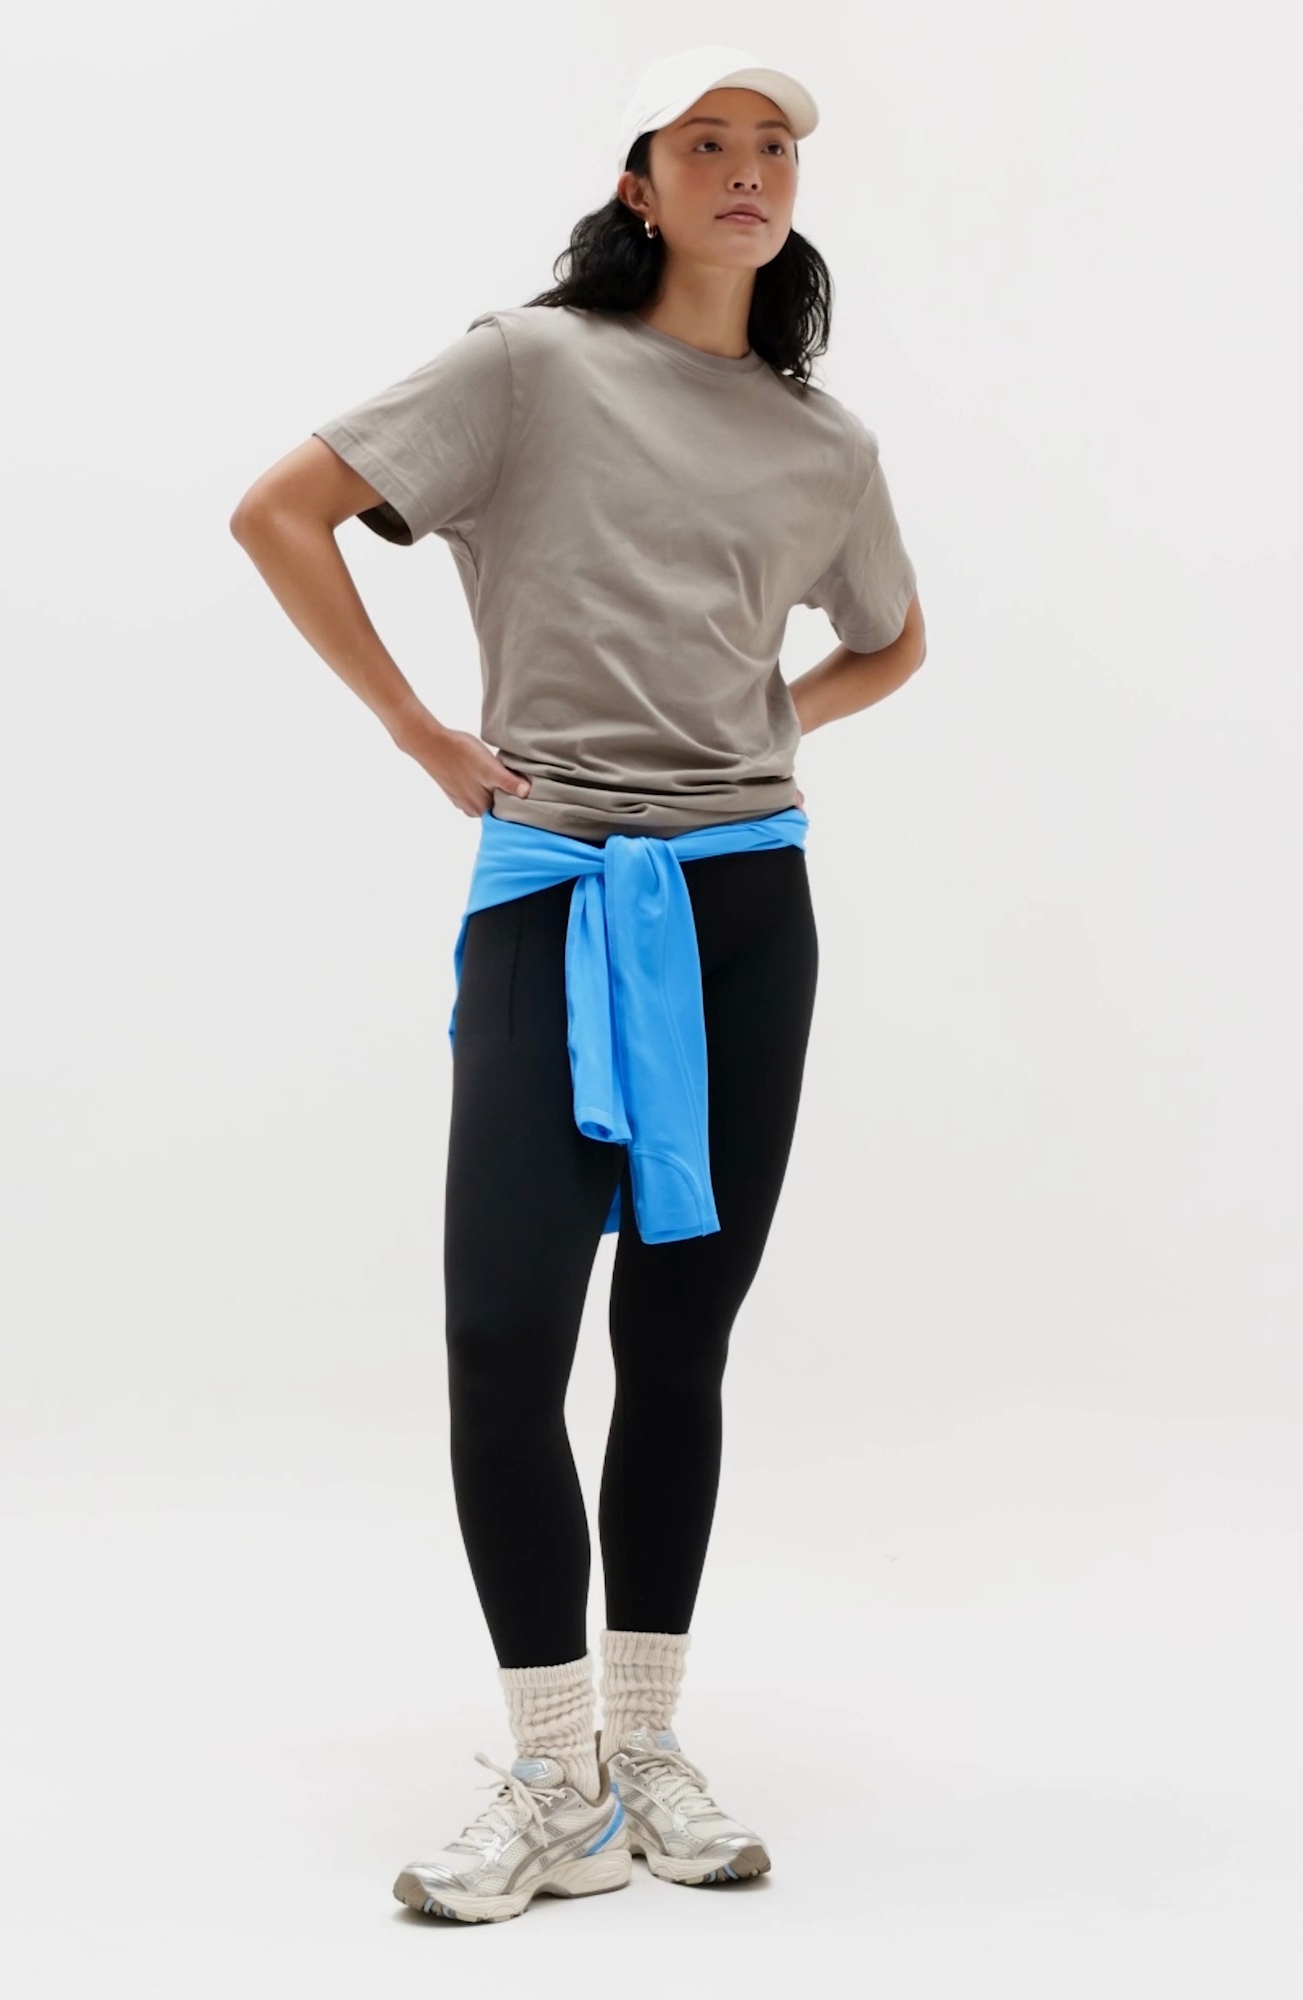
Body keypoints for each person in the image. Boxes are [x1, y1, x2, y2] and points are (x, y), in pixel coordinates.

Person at [229, 42, 926, 1924]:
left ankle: (649, 1743)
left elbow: (893, 639)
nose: (748, 167)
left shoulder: (825, 443)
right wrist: (418, 731)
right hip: (552, 889)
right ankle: (556, 1779)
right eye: (707, 141)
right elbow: (281, 510)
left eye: (774, 147)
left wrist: (771, 721)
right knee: (502, 1338)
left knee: (679, 1339)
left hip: (746, 904)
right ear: (640, 182)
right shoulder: (529, 366)